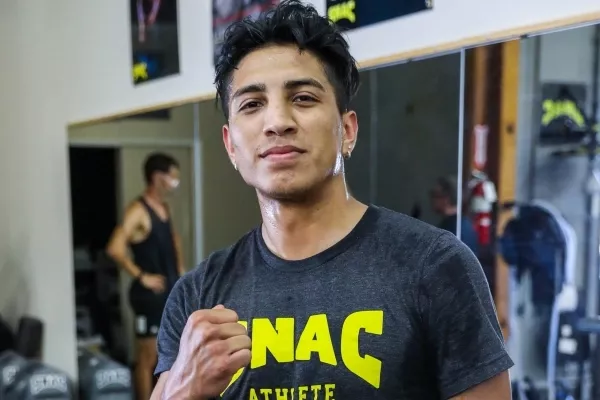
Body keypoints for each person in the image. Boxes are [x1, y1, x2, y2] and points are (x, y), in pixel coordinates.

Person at [151, 1, 513, 399]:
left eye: (303, 98)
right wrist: (182, 389)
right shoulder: (197, 296)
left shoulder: (435, 266)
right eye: (252, 105)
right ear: (230, 146)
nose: (277, 122)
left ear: (347, 130)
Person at [106, 152, 185, 400]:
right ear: (157, 177)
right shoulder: (138, 210)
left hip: (168, 292)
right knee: (147, 358)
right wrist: (142, 276)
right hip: (148, 296)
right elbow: (115, 248)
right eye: (172, 177)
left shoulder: (164, 208)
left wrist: (180, 271)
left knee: (169, 355)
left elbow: (173, 240)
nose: (175, 182)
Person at [430, 175, 480, 255]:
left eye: (434, 195)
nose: (431, 200)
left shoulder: (455, 228)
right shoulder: (463, 223)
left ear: (446, 199)